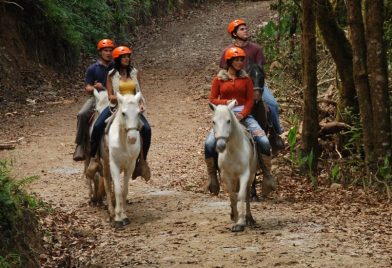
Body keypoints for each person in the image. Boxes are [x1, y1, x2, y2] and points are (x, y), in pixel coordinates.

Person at [204, 47, 276, 196]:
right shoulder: (218, 79)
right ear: (229, 62)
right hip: (224, 117)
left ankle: (267, 175)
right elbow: (212, 99)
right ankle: (212, 177)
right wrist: (226, 102)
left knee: (263, 141)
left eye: (241, 60)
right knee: (209, 143)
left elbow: (250, 100)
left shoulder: (246, 79)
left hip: (244, 116)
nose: (239, 62)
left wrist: (243, 114)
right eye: (236, 60)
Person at [88, 45, 151, 180]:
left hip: (132, 108)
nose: (126, 59)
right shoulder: (111, 75)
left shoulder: (135, 72)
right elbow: (110, 95)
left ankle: (142, 162)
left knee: (147, 130)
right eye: (123, 57)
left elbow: (139, 91)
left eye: (128, 56)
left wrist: (140, 103)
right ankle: (94, 158)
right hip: (116, 107)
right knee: (98, 126)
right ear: (117, 59)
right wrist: (123, 98)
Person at [220, 19, 284, 141]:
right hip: (236, 85)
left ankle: (275, 132)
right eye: (242, 29)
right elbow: (224, 72)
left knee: (272, 104)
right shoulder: (227, 52)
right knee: (222, 109)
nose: (246, 31)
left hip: (256, 85)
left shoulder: (255, 49)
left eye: (246, 28)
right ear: (234, 33)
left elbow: (260, 69)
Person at [73, 39, 115, 161]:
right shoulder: (93, 68)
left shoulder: (115, 67)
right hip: (97, 97)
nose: (108, 53)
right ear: (100, 52)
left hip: (113, 96)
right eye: (106, 50)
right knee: (82, 114)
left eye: (110, 50)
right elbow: (87, 86)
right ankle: (80, 145)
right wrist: (93, 88)